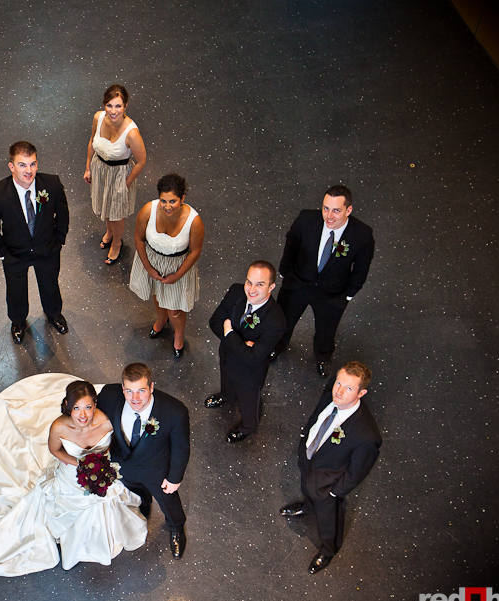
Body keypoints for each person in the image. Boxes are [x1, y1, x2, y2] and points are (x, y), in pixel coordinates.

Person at [0, 374, 147, 576]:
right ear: (68, 406)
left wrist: (100, 463)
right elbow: (55, 451)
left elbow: (117, 443)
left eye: (88, 407)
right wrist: (81, 465)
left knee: (105, 501)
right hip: (71, 475)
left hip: (101, 472)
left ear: (95, 405)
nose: (83, 415)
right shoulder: (59, 427)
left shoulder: (107, 422)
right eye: (76, 408)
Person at [280, 361, 382, 574]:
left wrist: (335, 492)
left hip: (328, 484)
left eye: (349, 388)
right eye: (338, 383)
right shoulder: (331, 394)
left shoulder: (366, 435)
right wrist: (304, 440)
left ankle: (328, 550)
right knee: (307, 489)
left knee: (329, 520)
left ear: (361, 393)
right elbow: (317, 417)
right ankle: (308, 507)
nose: (339, 391)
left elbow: (357, 472)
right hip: (310, 462)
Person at [274, 185, 374, 377]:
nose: (329, 216)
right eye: (325, 208)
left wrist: (348, 295)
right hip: (298, 284)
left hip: (332, 293)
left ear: (348, 210)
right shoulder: (306, 219)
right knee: (284, 320)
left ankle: (322, 357)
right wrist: (285, 272)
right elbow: (291, 244)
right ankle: (278, 346)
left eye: (336, 210)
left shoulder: (361, 235)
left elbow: (361, 268)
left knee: (326, 331)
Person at [97, 363, 190, 558]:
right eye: (129, 391)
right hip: (123, 466)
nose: (135, 398)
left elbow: (181, 448)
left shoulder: (174, 411)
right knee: (137, 495)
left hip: (157, 471)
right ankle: (143, 507)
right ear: (122, 388)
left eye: (141, 390)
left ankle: (176, 528)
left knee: (169, 503)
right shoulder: (108, 396)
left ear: (151, 387)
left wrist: (174, 478)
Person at [0, 141, 70, 344]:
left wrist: (59, 241)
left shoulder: (52, 185)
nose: (29, 171)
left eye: (32, 164)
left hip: (47, 249)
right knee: (16, 290)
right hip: (15, 253)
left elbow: (63, 214)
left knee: (50, 284)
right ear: (11, 166)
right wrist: (3, 253)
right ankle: (18, 322)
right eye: (22, 165)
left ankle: (54, 314)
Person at [206, 261, 287, 443]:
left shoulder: (276, 320)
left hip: (250, 372)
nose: (251, 289)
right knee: (226, 379)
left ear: (271, 287)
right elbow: (215, 321)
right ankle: (226, 396)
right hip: (227, 355)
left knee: (248, 399)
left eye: (260, 284)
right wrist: (242, 344)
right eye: (249, 282)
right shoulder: (236, 291)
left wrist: (230, 333)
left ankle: (248, 427)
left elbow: (253, 358)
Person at [128, 174, 204, 358]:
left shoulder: (194, 222)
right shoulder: (148, 210)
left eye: (172, 201)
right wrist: (148, 268)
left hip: (178, 266)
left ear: (182, 198)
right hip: (152, 261)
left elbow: (195, 252)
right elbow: (138, 239)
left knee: (175, 309)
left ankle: (178, 334)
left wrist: (177, 276)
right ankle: (161, 320)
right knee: (157, 295)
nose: (167, 206)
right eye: (163, 201)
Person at [82, 84, 147, 265]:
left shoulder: (132, 133)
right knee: (106, 206)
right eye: (109, 105)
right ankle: (109, 232)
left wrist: (126, 183)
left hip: (119, 175)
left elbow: (141, 161)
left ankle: (117, 242)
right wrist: (88, 168)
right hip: (100, 169)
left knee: (116, 214)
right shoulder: (98, 118)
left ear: (125, 106)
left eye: (118, 106)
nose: (113, 111)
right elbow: (91, 141)